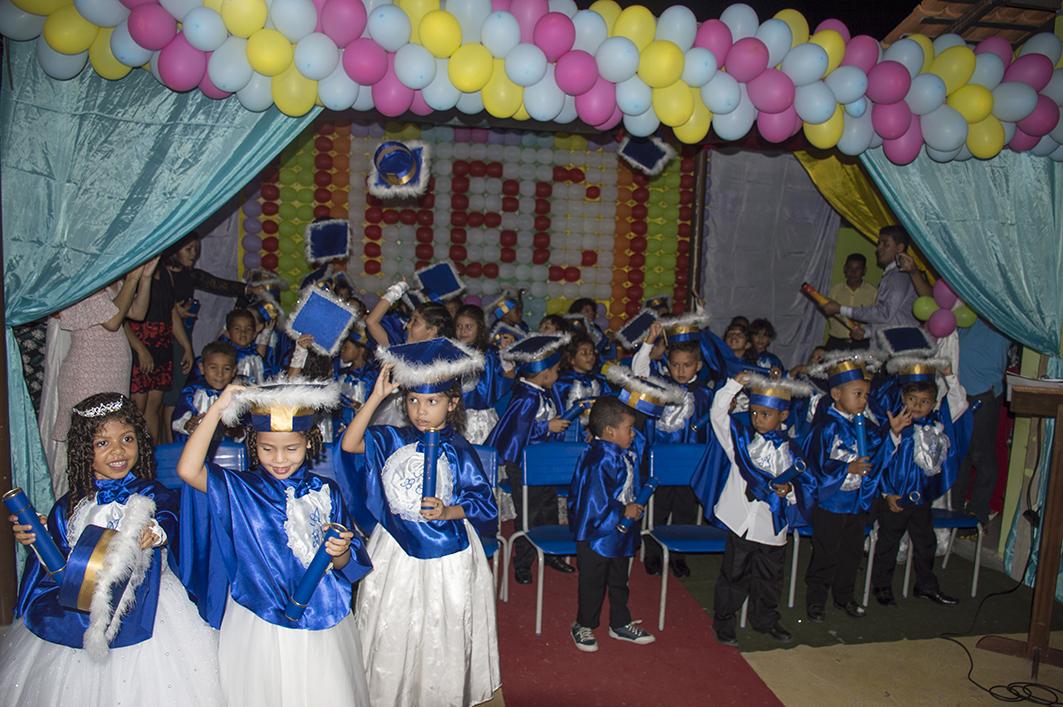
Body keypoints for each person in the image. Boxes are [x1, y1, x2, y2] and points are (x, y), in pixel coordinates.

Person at [3, 393, 224, 705]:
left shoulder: (153, 492)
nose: (119, 451)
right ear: (84, 451)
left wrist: (156, 532)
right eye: (102, 443)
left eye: (127, 438)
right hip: (83, 608)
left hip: (151, 604)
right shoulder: (71, 506)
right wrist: (36, 539)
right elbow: (60, 567)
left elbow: (171, 518)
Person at [174, 379, 372, 707]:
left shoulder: (327, 491)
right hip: (259, 615)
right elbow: (188, 469)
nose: (279, 459)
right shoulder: (240, 489)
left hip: (318, 618)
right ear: (254, 445)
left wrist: (339, 552)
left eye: (290, 448)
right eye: (267, 448)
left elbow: (345, 566)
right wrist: (218, 410)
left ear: (309, 443)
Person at [341, 339, 501, 706]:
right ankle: (387, 688)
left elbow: (482, 503)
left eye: (432, 402)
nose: (421, 410)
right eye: (413, 401)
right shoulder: (392, 438)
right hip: (396, 546)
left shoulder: (458, 448)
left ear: (452, 402)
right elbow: (350, 446)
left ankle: (436, 691)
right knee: (393, 619)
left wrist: (448, 511)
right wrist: (375, 397)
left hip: (447, 552)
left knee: (438, 624)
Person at [710, 373, 816, 646]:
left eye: (765, 414)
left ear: (783, 415)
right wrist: (734, 384)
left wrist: (789, 491)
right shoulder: (741, 444)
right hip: (741, 524)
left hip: (772, 528)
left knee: (769, 579)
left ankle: (765, 619)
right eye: (755, 412)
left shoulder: (794, 452)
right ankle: (724, 621)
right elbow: (718, 415)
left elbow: (807, 486)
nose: (757, 419)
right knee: (733, 576)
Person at [804, 352, 906, 621]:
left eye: (865, 395)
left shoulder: (868, 426)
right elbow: (814, 466)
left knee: (851, 552)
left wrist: (893, 434)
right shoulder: (825, 426)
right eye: (857, 394)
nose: (863, 400)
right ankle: (816, 600)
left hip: (858, 503)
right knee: (826, 552)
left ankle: (844, 596)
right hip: (831, 504)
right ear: (836, 394)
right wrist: (845, 468)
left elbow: (878, 458)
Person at [872, 356, 970, 608]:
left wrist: (949, 374)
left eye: (924, 402)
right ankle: (882, 586)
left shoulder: (936, 426)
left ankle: (925, 585)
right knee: (888, 543)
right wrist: (887, 494)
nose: (917, 406)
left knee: (926, 542)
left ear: (933, 404)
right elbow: (880, 463)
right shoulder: (894, 426)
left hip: (921, 499)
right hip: (895, 498)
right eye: (912, 399)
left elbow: (958, 405)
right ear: (903, 398)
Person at [568, 396, 655, 652]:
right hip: (596, 534)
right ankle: (583, 624)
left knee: (619, 579)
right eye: (629, 429)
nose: (633, 434)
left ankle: (620, 622)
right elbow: (594, 501)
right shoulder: (600, 459)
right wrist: (623, 510)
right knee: (593, 581)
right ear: (610, 432)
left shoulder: (618, 451)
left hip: (620, 530)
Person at [485, 334, 572, 584]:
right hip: (523, 465)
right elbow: (516, 433)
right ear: (543, 373)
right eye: (555, 371)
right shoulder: (526, 397)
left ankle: (550, 552)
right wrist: (546, 428)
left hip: (543, 462)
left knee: (548, 507)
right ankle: (523, 562)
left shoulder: (542, 391)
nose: (558, 376)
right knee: (529, 513)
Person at [633, 319, 714, 578]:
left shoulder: (704, 394)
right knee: (657, 509)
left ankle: (678, 555)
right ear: (668, 365)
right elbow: (638, 372)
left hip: (690, 466)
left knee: (684, 513)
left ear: (698, 367)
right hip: (660, 463)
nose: (680, 370)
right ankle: (654, 553)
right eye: (675, 365)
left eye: (687, 365)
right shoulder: (659, 387)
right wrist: (649, 341)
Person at [160, 233, 261, 440]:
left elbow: (216, 283)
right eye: (188, 249)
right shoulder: (164, 272)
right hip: (165, 337)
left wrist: (247, 288)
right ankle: (168, 444)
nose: (194, 253)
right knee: (168, 399)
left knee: (174, 390)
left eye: (197, 248)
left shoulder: (190, 274)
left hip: (183, 335)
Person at [53, 260, 156, 450]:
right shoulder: (87, 281)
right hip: (88, 374)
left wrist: (145, 278)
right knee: (90, 441)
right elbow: (112, 322)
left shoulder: (112, 282)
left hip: (113, 372)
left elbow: (138, 312)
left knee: (112, 436)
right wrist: (132, 278)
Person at [820, 226, 928, 340]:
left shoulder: (900, 274)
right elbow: (890, 319)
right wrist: (866, 332)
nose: (879, 248)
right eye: (879, 243)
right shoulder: (891, 274)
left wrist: (841, 309)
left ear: (899, 248)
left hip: (900, 345)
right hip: (891, 344)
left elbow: (885, 313)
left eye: (885, 244)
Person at [955, 318, 1011, 528]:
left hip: (983, 394)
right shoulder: (965, 310)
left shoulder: (998, 312)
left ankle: (977, 515)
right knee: (961, 457)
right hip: (958, 394)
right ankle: (955, 513)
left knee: (982, 456)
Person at [456, 304, 513, 444]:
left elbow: (504, 381)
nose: (462, 331)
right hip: (456, 416)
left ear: (480, 328)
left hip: (481, 418)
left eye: (468, 327)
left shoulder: (489, 353)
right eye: (459, 326)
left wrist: (507, 361)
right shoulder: (452, 352)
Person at [171, 340, 238, 443]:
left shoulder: (237, 395)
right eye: (213, 367)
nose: (219, 374)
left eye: (226, 369)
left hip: (227, 450)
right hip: (195, 447)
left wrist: (236, 432)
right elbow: (178, 418)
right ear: (202, 368)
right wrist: (187, 424)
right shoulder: (192, 392)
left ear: (234, 371)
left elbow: (245, 425)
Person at [554, 332, 606, 443]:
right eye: (584, 353)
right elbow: (561, 411)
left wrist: (595, 429)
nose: (590, 357)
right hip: (568, 433)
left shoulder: (599, 381)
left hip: (594, 431)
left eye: (592, 353)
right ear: (571, 359)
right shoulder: (562, 383)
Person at [826, 254, 877, 351]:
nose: (853, 272)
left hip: (862, 343)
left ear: (864, 271)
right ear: (845, 269)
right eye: (850, 268)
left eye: (858, 269)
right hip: (836, 342)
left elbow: (876, 319)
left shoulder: (873, 292)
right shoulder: (835, 290)